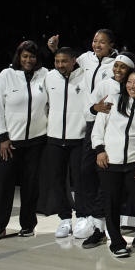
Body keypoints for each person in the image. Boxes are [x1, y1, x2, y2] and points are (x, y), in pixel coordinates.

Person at [46, 29, 119, 244]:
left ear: (111, 45)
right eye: (95, 40)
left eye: (102, 41)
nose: (97, 44)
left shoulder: (116, 64)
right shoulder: (86, 59)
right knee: (86, 174)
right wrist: (55, 49)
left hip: (109, 123)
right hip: (90, 123)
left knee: (99, 174)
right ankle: (82, 218)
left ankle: (97, 220)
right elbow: (66, 59)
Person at [92, 69, 135, 258]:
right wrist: (99, 150)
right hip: (110, 162)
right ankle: (117, 243)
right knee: (111, 204)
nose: (132, 86)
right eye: (129, 82)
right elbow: (98, 128)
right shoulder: (113, 100)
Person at [0, 40, 49, 242]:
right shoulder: (6, 75)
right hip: (10, 143)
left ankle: (28, 225)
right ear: (19, 57)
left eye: (32, 56)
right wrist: (2, 137)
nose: (29, 60)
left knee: (31, 186)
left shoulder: (45, 75)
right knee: (4, 186)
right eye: (25, 56)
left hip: (37, 142)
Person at [41, 47, 93, 242]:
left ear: (74, 61)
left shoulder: (85, 77)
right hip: (54, 138)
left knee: (79, 180)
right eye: (57, 61)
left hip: (78, 137)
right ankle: (64, 218)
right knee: (57, 179)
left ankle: (81, 216)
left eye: (64, 61)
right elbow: (43, 104)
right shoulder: (50, 77)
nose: (60, 65)